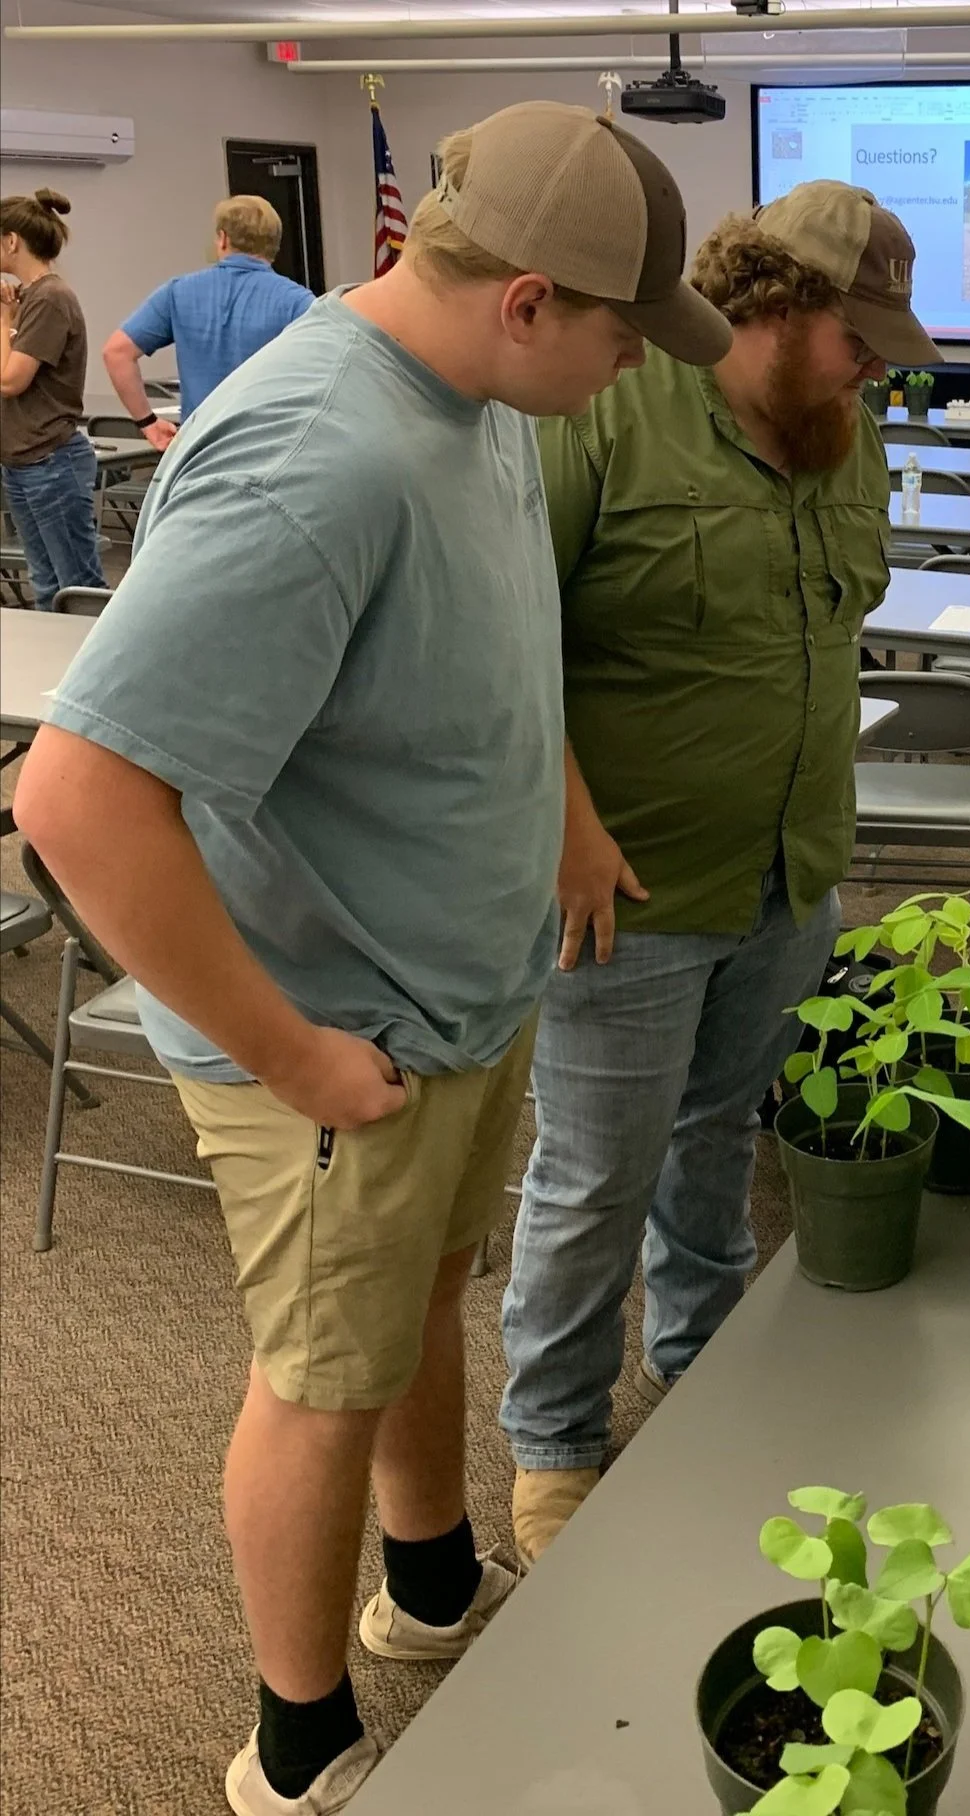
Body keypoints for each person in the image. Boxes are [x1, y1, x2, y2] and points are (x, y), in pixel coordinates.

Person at [13, 101, 729, 1816]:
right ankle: (298, 1742)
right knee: (322, 1377)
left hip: (448, 993)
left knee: (420, 1298)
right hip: (330, 1025)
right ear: (533, 299)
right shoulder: (313, 453)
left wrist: (553, 803)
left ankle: (422, 1585)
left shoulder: (471, 396)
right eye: (627, 334)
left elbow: (496, 628)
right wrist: (288, 1052)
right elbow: (80, 796)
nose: (640, 369)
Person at [501, 179, 935, 1566]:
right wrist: (565, 825)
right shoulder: (608, 410)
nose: (876, 362)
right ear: (775, 302)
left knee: (718, 1138)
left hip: (791, 865)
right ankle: (557, 1436)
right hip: (626, 881)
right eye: (858, 333)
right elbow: (510, 645)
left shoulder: (843, 433)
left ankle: (699, 1364)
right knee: (593, 1179)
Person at [102, 194, 314, 451]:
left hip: (199, 451)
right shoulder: (298, 302)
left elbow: (116, 353)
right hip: (269, 450)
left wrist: (148, 422)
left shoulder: (178, 292)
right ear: (274, 243)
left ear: (223, 239)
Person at [1, 188, 105, 608]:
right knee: (46, 586)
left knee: (76, 585)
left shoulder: (50, 298)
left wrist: (3, 318)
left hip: (51, 463)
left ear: (12, 241)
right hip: (23, 463)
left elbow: (10, 380)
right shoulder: (29, 298)